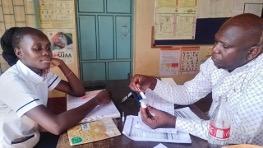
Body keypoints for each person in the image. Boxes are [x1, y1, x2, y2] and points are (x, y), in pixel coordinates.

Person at [129, 13, 263, 145]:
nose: (214, 49)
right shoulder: (216, 62)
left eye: (225, 46)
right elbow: (189, 92)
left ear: (252, 52)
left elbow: (240, 134)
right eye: (216, 41)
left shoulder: (259, 78)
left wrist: (173, 121)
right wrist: (152, 83)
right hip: (210, 131)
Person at [0, 27, 111, 147]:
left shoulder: (41, 72)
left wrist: (62, 65)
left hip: (34, 136)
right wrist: (97, 100)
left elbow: (78, 91)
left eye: (48, 47)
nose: (46, 52)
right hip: (15, 144)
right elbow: (56, 126)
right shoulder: (11, 81)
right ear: (19, 53)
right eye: (37, 48)